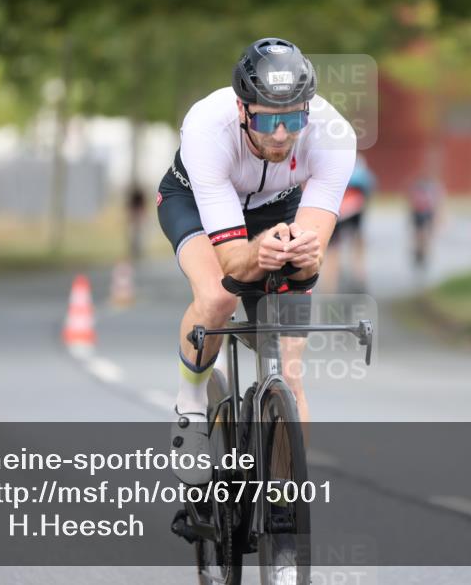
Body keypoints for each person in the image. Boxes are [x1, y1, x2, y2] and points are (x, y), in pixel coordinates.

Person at [155, 38, 356, 485]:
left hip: (278, 206)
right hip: (194, 199)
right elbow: (232, 264)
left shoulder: (334, 134)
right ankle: (190, 399)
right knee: (217, 299)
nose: (281, 134)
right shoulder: (208, 126)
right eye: (267, 119)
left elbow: (311, 258)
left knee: (290, 365)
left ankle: (286, 501)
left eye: (292, 119)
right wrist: (258, 254)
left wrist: (301, 254)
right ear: (244, 109)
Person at [322, 153, 375, 293]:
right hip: (355, 206)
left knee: (333, 249)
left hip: (336, 209)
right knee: (358, 241)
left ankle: (329, 290)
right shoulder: (358, 160)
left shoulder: (329, 160)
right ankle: (360, 275)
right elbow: (368, 187)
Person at [408, 174, 443, 269]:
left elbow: (411, 201)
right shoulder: (430, 188)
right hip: (424, 212)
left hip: (421, 212)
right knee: (423, 234)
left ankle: (421, 252)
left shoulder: (420, 187)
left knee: (421, 233)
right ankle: (421, 252)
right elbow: (437, 202)